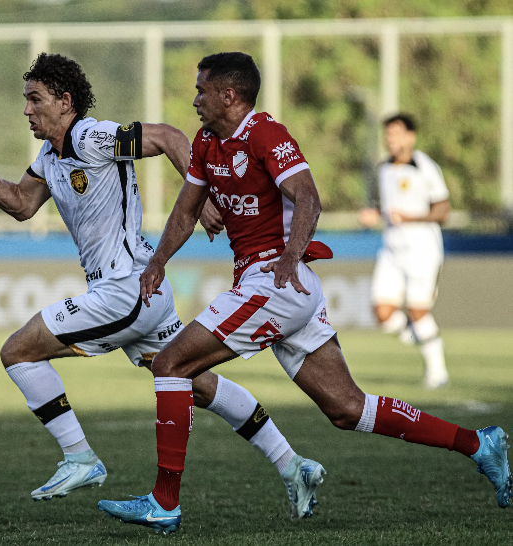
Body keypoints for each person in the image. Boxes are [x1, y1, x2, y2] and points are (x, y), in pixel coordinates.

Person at [98, 52, 511, 534]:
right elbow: (187, 211)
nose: (194, 100)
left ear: (228, 95)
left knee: (170, 363)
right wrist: (157, 261)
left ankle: (164, 502)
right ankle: (479, 444)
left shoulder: (266, 134)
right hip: (274, 285)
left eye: (201, 90)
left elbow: (308, 196)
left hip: (275, 281)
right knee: (346, 408)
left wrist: (290, 256)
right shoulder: (208, 142)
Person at [0, 52, 325, 515]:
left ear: (64, 100)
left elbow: (169, 137)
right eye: (26, 101)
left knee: (17, 351)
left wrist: (205, 200)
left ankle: (79, 457)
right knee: (193, 381)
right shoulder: (51, 154)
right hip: (140, 292)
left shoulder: (91, 135)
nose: (26, 110)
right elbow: (21, 204)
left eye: (35, 99)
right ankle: (291, 463)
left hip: (123, 290)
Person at [358, 114, 450, 389]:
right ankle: (425, 339)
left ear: (411, 136)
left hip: (422, 249)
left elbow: (442, 211)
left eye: (396, 134)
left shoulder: (424, 167)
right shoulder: (383, 168)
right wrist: (372, 215)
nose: (391, 140)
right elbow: (381, 208)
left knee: (418, 310)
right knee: (383, 313)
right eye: (388, 134)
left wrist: (408, 218)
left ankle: (438, 371)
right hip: (392, 249)